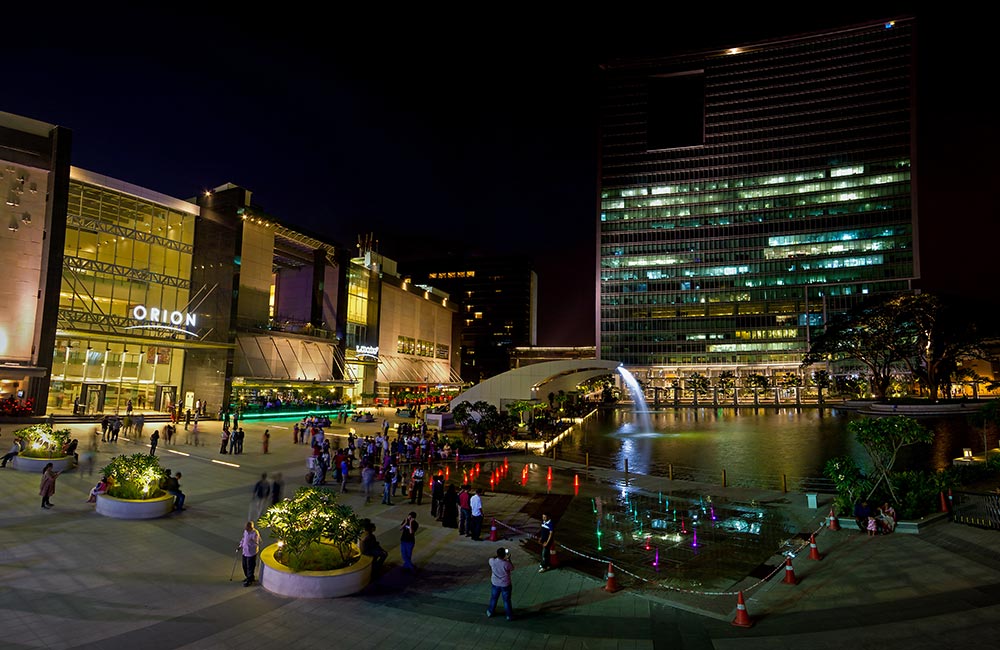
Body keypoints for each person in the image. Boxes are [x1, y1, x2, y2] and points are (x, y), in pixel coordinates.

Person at [486, 546, 514, 621]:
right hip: (505, 584)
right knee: (506, 600)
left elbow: (492, 558)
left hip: (495, 583)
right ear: (504, 555)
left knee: (494, 598)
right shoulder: (506, 563)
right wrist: (509, 559)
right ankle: (509, 616)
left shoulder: (492, 561)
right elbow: (512, 568)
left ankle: (490, 612)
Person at [237, 521, 261, 587]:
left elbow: (256, 543)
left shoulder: (255, 533)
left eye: (247, 527)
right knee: (244, 565)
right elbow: (243, 539)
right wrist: (240, 546)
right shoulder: (245, 531)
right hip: (245, 552)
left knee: (250, 567)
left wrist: (250, 542)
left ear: (251, 527)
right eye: (245, 527)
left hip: (251, 553)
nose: (246, 528)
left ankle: (249, 580)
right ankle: (248, 577)